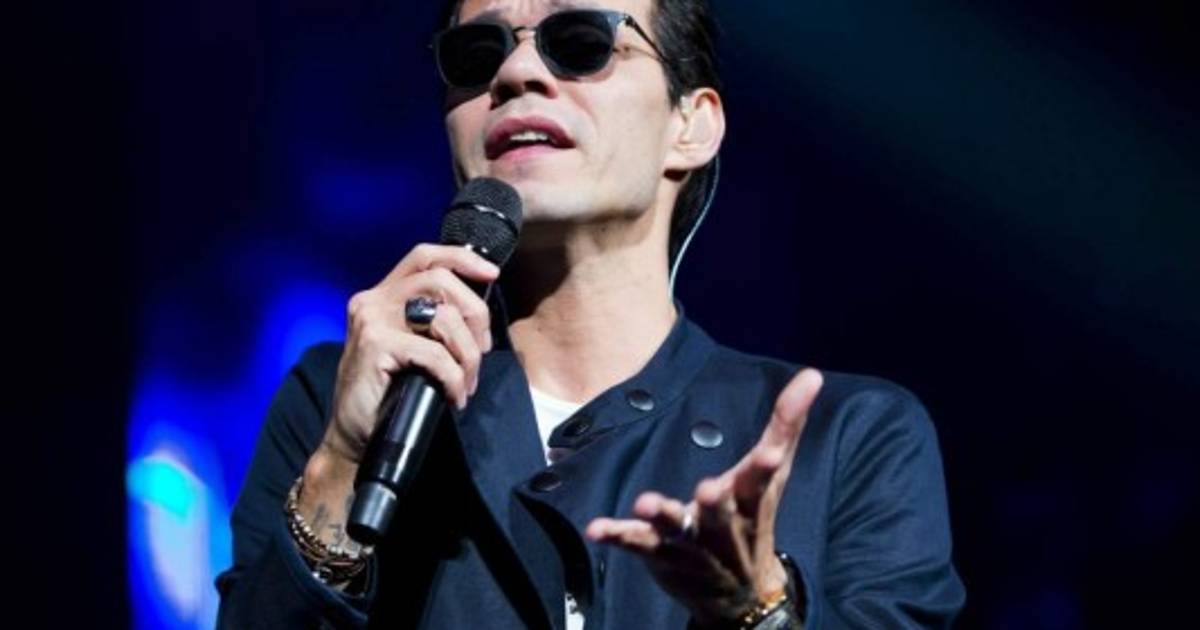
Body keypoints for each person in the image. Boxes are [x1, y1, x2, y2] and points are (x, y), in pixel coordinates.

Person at [215, 0, 965, 627]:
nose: (516, 72)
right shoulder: (338, 399)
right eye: (477, 56)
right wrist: (344, 462)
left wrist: (759, 612)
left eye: (580, 42)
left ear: (692, 125)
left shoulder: (849, 438)